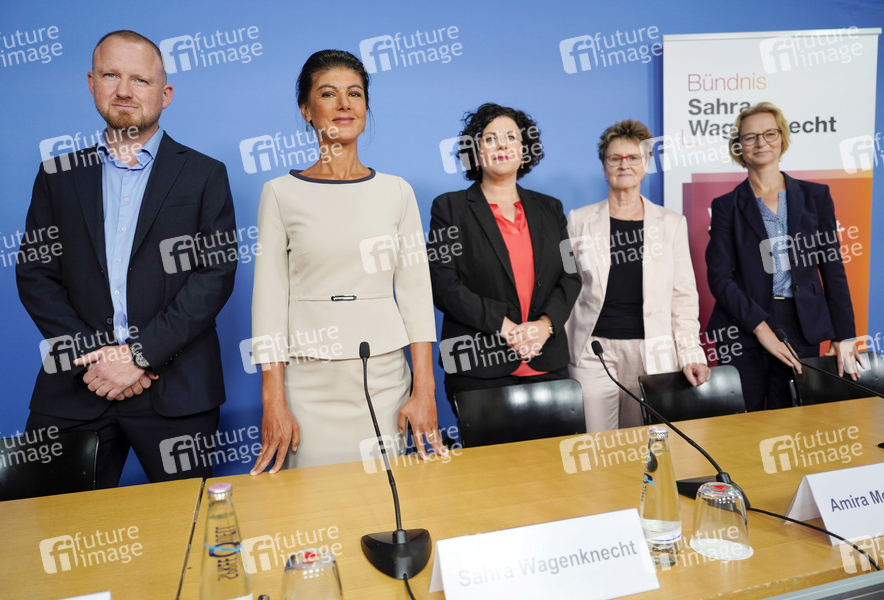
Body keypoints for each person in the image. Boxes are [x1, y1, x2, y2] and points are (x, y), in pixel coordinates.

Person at [16, 30, 237, 487]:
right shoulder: (57, 175)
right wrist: (97, 360)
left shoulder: (205, 175)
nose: (123, 90)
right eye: (110, 75)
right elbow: (36, 275)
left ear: (165, 93)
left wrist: (139, 356)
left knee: (187, 523)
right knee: (50, 525)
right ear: (91, 84)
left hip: (176, 390)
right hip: (78, 385)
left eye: (140, 79)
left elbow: (213, 276)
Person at [249, 50, 446, 472]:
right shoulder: (279, 193)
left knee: (387, 497)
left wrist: (425, 388)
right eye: (328, 93)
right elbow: (268, 302)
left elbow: (416, 296)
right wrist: (273, 398)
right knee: (313, 501)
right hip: (308, 383)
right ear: (306, 109)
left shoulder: (397, 192)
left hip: (385, 378)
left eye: (354, 94)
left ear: (366, 107)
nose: (344, 104)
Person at [429, 103, 580, 418]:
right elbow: (444, 285)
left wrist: (544, 326)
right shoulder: (449, 209)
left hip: (546, 364)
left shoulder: (551, 209)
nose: (502, 145)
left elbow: (570, 276)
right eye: (490, 138)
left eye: (511, 137)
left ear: (524, 151)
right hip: (478, 368)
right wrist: (506, 328)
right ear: (476, 153)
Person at [706, 102, 858, 412]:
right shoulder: (726, 206)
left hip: (803, 324)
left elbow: (832, 267)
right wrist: (760, 328)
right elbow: (720, 277)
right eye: (750, 137)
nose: (760, 143)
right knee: (741, 423)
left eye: (769, 134)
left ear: (782, 138)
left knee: (794, 420)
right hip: (743, 325)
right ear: (738, 146)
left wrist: (845, 336)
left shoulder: (816, 197)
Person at [566, 119, 710, 432]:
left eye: (633, 158)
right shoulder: (577, 221)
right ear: (604, 166)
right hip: (592, 352)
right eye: (615, 158)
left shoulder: (671, 223)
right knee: (596, 445)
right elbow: (565, 285)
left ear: (646, 165)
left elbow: (683, 296)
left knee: (644, 444)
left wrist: (690, 352)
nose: (624, 165)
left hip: (652, 351)